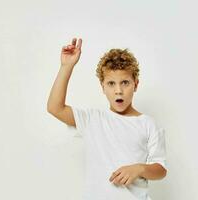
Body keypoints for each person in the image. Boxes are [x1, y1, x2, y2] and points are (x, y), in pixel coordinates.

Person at [47, 38, 167, 200]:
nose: (118, 90)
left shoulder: (147, 124)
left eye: (125, 82)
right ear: (102, 86)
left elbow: (160, 169)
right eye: (111, 83)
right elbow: (55, 108)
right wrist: (66, 66)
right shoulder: (93, 120)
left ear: (136, 84)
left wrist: (139, 169)